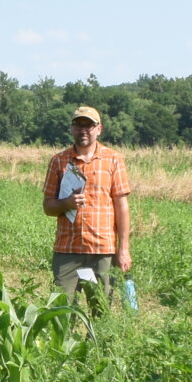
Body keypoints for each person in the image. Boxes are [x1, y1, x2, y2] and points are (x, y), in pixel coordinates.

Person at [42, 104, 133, 305]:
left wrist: (123, 249)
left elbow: (121, 206)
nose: (83, 130)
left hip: (102, 249)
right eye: (78, 125)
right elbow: (48, 206)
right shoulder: (59, 161)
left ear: (99, 129)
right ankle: (65, 338)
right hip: (67, 250)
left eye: (89, 126)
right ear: (72, 128)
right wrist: (66, 203)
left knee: (100, 309)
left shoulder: (113, 160)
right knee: (62, 310)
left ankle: (97, 338)